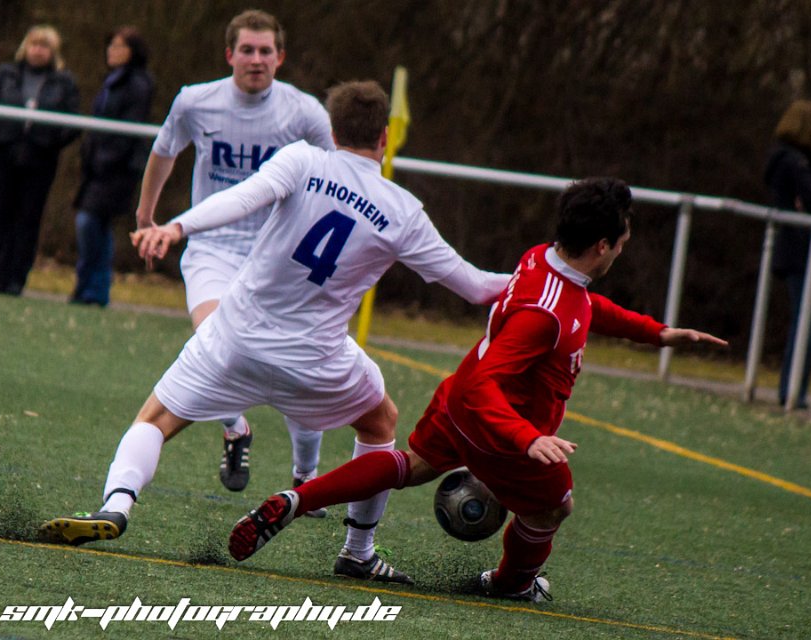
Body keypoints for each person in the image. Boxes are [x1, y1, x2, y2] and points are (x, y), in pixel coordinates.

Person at [40, 80, 511, 585]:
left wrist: (175, 228)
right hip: (317, 361)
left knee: (154, 419)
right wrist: (548, 276)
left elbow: (240, 199)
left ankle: (116, 505)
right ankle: (358, 551)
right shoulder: (402, 210)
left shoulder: (303, 160)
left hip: (234, 341)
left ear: (332, 129)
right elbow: (476, 287)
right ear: (386, 136)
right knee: (380, 423)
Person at [229, 178, 728, 600]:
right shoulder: (545, 316)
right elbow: (500, 377)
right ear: (602, 246)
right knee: (556, 506)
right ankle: (511, 583)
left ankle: (298, 500)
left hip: (458, 398)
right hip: (496, 426)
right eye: (621, 242)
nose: (621, 249)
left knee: (412, 465)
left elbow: (588, 307)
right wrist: (527, 439)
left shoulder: (542, 258)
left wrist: (655, 332)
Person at [134, 9, 336, 496]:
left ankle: (306, 475)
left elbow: (341, 173)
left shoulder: (304, 112)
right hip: (213, 246)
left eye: (266, 51)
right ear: (229, 54)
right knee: (213, 339)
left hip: (279, 252)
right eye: (247, 49)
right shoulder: (195, 102)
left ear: (280, 58)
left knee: (302, 364)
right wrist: (146, 217)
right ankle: (235, 426)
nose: (256, 59)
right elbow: (164, 151)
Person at [0, 25, 80, 296]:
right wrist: (0, 135)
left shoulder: (64, 82)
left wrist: (49, 142)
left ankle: (17, 279)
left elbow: (73, 121)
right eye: (34, 45)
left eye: (44, 46)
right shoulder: (6, 74)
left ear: (53, 52)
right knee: (3, 214)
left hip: (41, 160)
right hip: (6, 154)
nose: (38, 51)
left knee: (29, 218)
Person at [70, 26, 154, 307]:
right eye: (111, 45)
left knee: (90, 221)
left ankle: (94, 289)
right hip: (98, 166)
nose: (112, 51)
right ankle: (88, 289)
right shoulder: (112, 81)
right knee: (94, 225)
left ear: (133, 52)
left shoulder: (138, 84)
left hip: (116, 169)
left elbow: (126, 130)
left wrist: (106, 159)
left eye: (120, 46)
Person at [765, 99, 811, 410]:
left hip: (802, 249)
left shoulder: (798, 161)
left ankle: (795, 390)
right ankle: (792, 391)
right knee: (802, 321)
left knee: (805, 320)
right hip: (798, 250)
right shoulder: (792, 162)